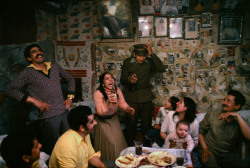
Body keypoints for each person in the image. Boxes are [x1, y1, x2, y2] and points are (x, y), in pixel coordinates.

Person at [4, 44, 75, 155]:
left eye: (39, 50)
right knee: (51, 149)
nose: (38, 52)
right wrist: (33, 100)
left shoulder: (54, 66)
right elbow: (9, 90)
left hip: (64, 111)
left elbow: (70, 79)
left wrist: (70, 97)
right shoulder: (27, 72)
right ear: (29, 58)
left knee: (70, 145)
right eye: (34, 52)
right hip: (48, 115)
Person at [120, 44, 165, 146]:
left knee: (146, 125)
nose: (141, 58)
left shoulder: (149, 62)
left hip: (146, 96)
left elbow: (161, 68)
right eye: (139, 56)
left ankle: (147, 147)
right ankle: (129, 147)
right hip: (132, 96)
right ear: (134, 54)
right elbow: (122, 80)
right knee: (131, 125)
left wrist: (151, 54)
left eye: (143, 56)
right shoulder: (127, 62)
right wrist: (129, 79)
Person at [198, 90, 250, 167]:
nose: (224, 103)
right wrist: (205, 149)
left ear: (237, 106)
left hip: (226, 155)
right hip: (209, 152)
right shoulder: (212, 114)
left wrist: (237, 116)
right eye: (224, 100)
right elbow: (200, 132)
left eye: (228, 101)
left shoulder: (239, 121)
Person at [93, 72, 135, 161]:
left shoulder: (117, 89)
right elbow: (101, 113)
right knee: (108, 145)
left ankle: (121, 163)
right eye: (107, 78)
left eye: (112, 78)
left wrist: (128, 108)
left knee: (118, 143)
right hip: (102, 122)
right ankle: (107, 164)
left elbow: (122, 103)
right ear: (102, 83)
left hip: (113, 119)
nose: (111, 80)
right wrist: (108, 102)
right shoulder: (98, 93)